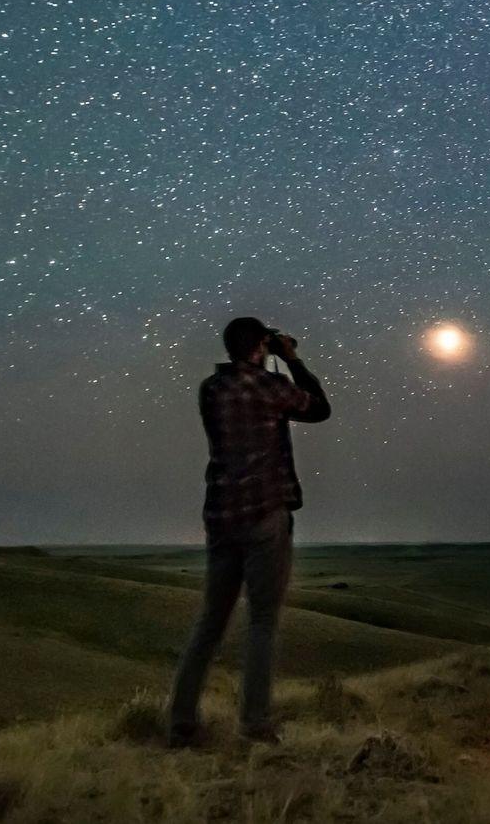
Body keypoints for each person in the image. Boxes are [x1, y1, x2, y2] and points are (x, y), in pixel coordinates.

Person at [167, 316, 331, 747]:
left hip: (221, 516)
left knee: (210, 622)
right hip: (263, 513)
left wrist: (267, 356)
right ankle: (255, 724)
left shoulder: (212, 389)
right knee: (262, 621)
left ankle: (181, 721)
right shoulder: (267, 387)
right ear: (260, 345)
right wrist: (292, 359)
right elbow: (319, 407)